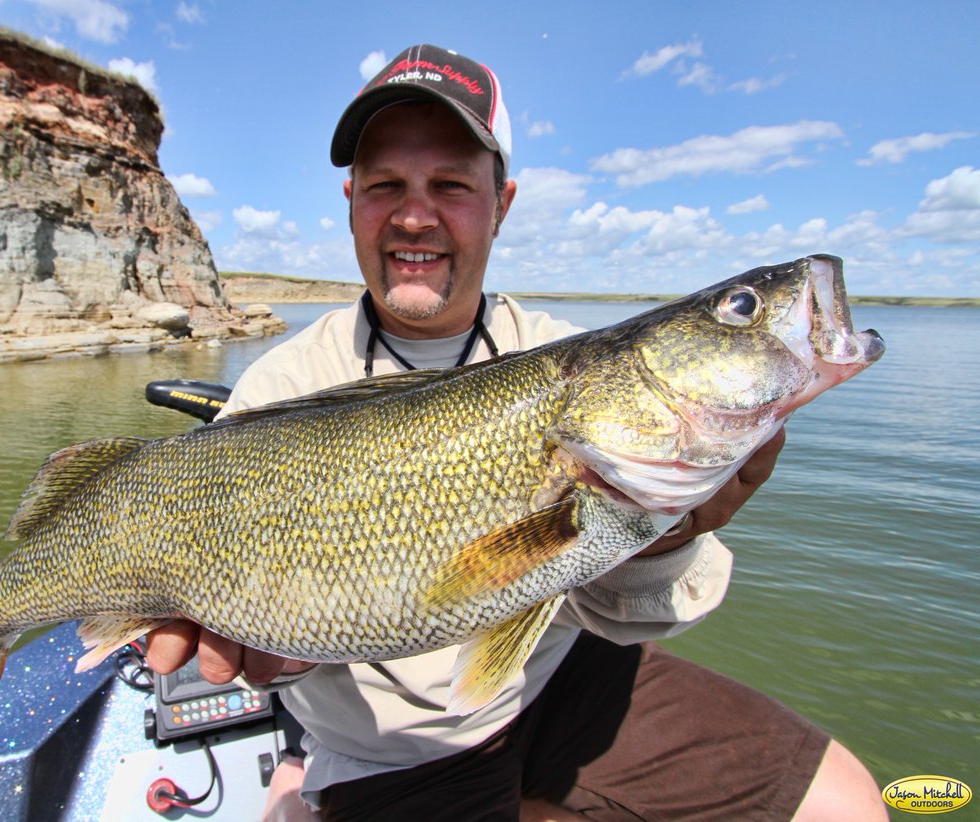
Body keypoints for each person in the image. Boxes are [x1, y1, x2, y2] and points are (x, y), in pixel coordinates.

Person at [148, 44, 886, 821]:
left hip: (554, 676)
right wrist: (282, 658)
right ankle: (304, 784)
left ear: (502, 203)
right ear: (352, 200)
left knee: (845, 801)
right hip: (398, 738)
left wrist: (664, 535)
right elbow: (261, 631)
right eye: (386, 186)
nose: (413, 214)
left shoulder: (562, 352)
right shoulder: (281, 388)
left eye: (451, 186)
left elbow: (627, 609)